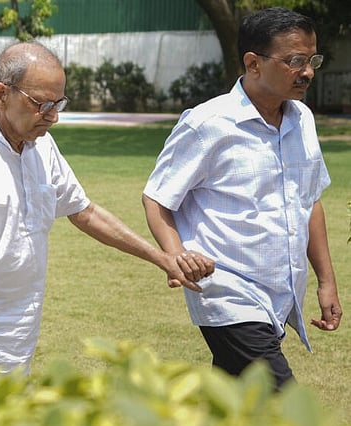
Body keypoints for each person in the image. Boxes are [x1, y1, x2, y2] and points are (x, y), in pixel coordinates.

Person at [0, 41, 214, 376]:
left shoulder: (41, 146)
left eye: (58, 103)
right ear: (0, 94)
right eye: (42, 104)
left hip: (15, 340)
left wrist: (162, 258)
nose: (53, 117)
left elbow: (84, 212)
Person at [143, 7, 341, 389]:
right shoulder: (207, 124)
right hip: (226, 294)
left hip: (278, 294)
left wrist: (326, 281)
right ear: (253, 63)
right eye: (295, 61)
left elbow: (310, 200)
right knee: (286, 411)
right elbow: (157, 198)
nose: (309, 72)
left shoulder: (302, 119)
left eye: (312, 59)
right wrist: (176, 255)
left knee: (238, 413)